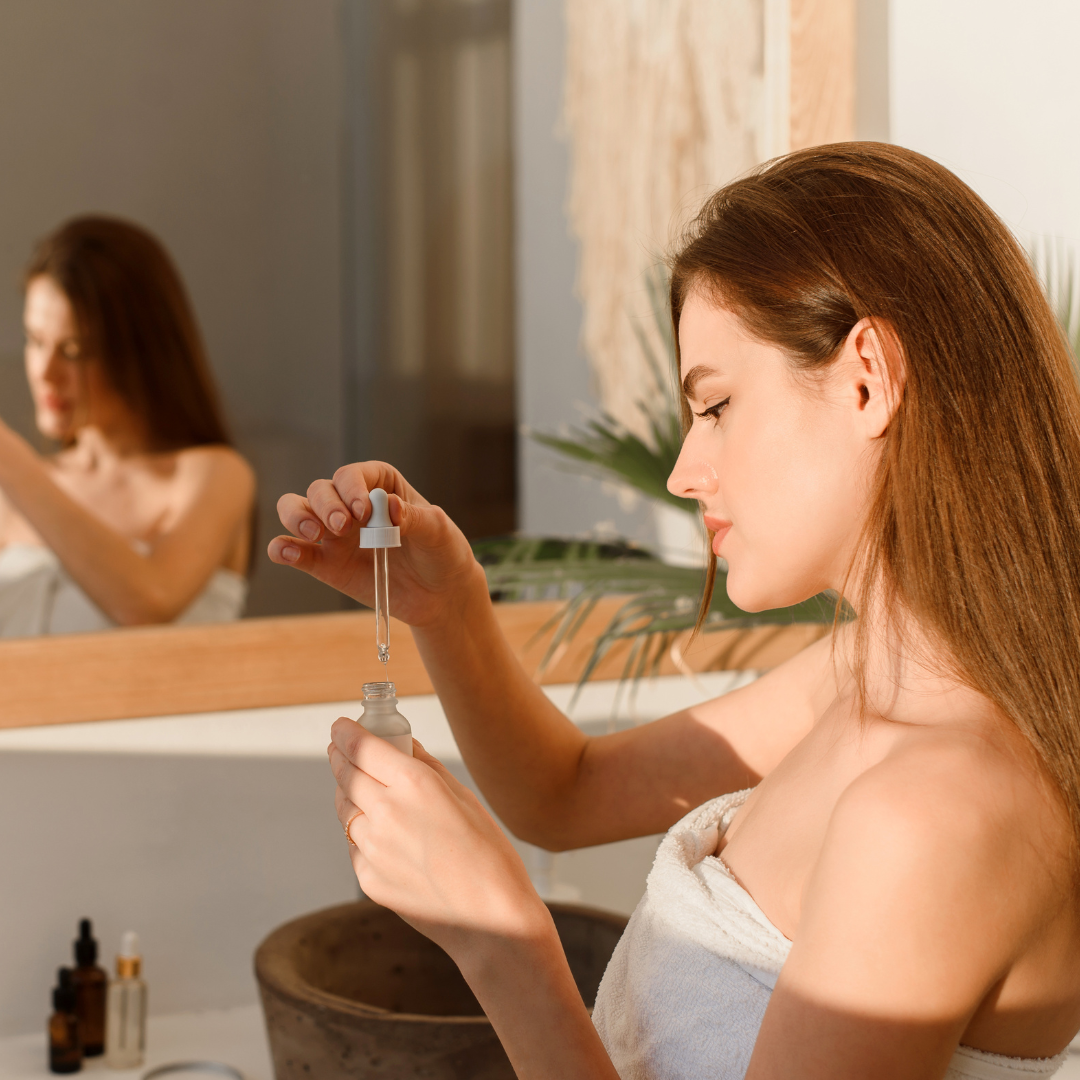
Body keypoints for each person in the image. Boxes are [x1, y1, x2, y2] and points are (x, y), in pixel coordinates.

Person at [269, 143, 1080, 1079]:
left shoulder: (937, 813)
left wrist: (504, 946)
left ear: (868, 379)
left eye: (719, 406)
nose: (685, 471)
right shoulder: (863, 681)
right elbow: (561, 793)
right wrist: (447, 608)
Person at [0, 215, 255, 636]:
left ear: (139, 351)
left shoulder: (213, 474)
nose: (45, 372)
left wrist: (9, 458)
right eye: (35, 341)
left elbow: (147, 602)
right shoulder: (14, 494)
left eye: (75, 349)